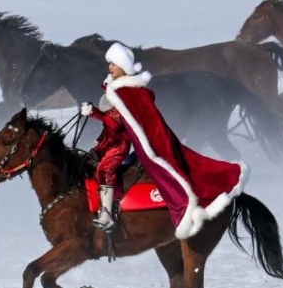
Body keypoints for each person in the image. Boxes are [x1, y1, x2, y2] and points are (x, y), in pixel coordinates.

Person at [82, 42, 248, 239]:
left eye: (114, 63)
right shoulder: (119, 90)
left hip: (132, 144)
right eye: (109, 63)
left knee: (105, 169)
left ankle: (107, 214)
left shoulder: (127, 92)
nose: (110, 67)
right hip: (129, 142)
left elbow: (117, 122)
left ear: (124, 67)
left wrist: (94, 113)